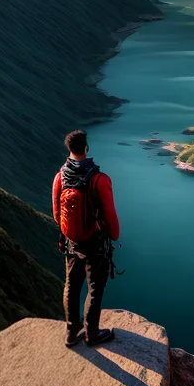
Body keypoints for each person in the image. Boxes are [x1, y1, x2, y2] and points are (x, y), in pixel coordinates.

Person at [52, 129, 121, 348]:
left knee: (72, 285)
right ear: (86, 148)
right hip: (95, 244)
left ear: (69, 149)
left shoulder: (60, 177)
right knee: (94, 288)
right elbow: (110, 215)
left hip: (72, 242)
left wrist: (72, 231)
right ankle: (92, 334)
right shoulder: (99, 180)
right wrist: (112, 234)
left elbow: (56, 215)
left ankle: (72, 333)